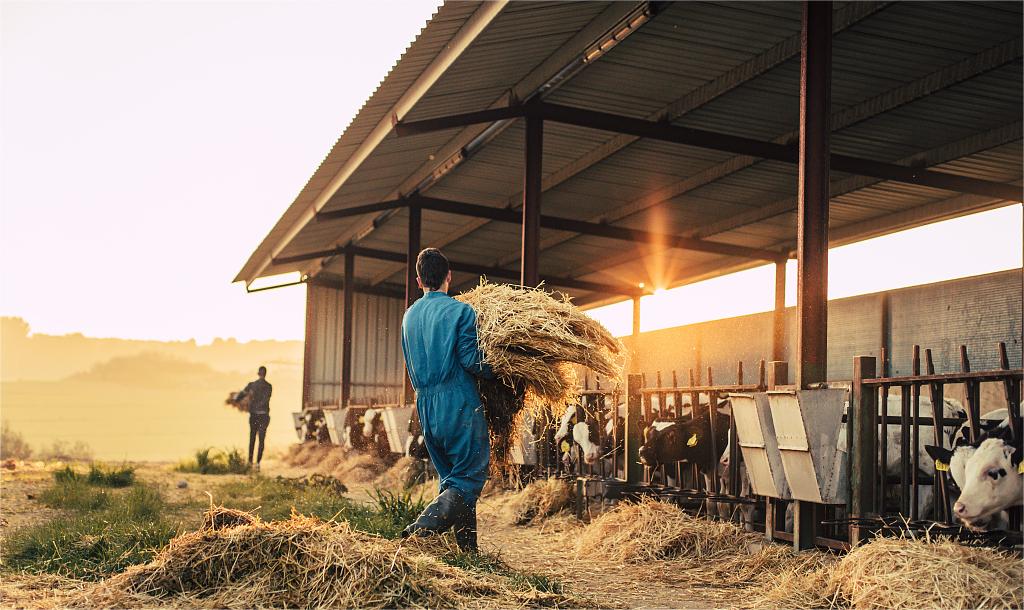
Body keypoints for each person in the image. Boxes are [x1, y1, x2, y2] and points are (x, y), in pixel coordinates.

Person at [400, 248, 493, 551]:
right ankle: (423, 527)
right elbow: (471, 360)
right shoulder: (461, 311)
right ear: (449, 276)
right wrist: (501, 370)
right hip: (459, 402)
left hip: (425, 406)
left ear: (418, 280)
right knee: (467, 478)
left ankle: (468, 555)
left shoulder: (408, 317)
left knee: (452, 479)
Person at [236, 365, 272, 472]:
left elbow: (240, 395)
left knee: (252, 438)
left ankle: (250, 462)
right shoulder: (268, 386)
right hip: (264, 415)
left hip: (254, 415)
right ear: (265, 374)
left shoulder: (252, 385)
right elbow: (266, 399)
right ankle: (258, 463)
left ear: (258, 373)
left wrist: (237, 401)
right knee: (261, 439)